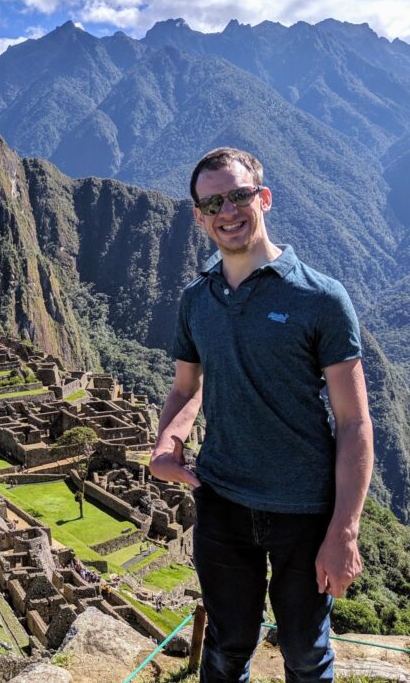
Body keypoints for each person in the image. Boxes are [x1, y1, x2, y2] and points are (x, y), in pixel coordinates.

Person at [150, 147, 373, 683]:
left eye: (238, 195)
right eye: (213, 202)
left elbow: (354, 423)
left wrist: (344, 529)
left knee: (304, 653)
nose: (227, 211)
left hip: (303, 509)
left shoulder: (321, 298)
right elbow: (186, 387)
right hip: (222, 501)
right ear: (199, 217)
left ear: (263, 198)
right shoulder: (196, 299)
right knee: (227, 648)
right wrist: (166, 442)